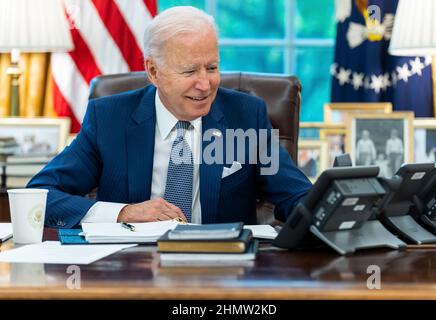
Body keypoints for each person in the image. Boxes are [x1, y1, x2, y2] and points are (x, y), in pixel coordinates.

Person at [27, 6, 312, 228]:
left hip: (223, 271)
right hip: (131, 269)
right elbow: (39, 197)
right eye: (189, 71)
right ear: (153, 72)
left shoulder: (245, 116)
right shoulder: (109, 119)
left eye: (211, 67)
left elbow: (296, 195)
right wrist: (123, 213)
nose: (205, 84)